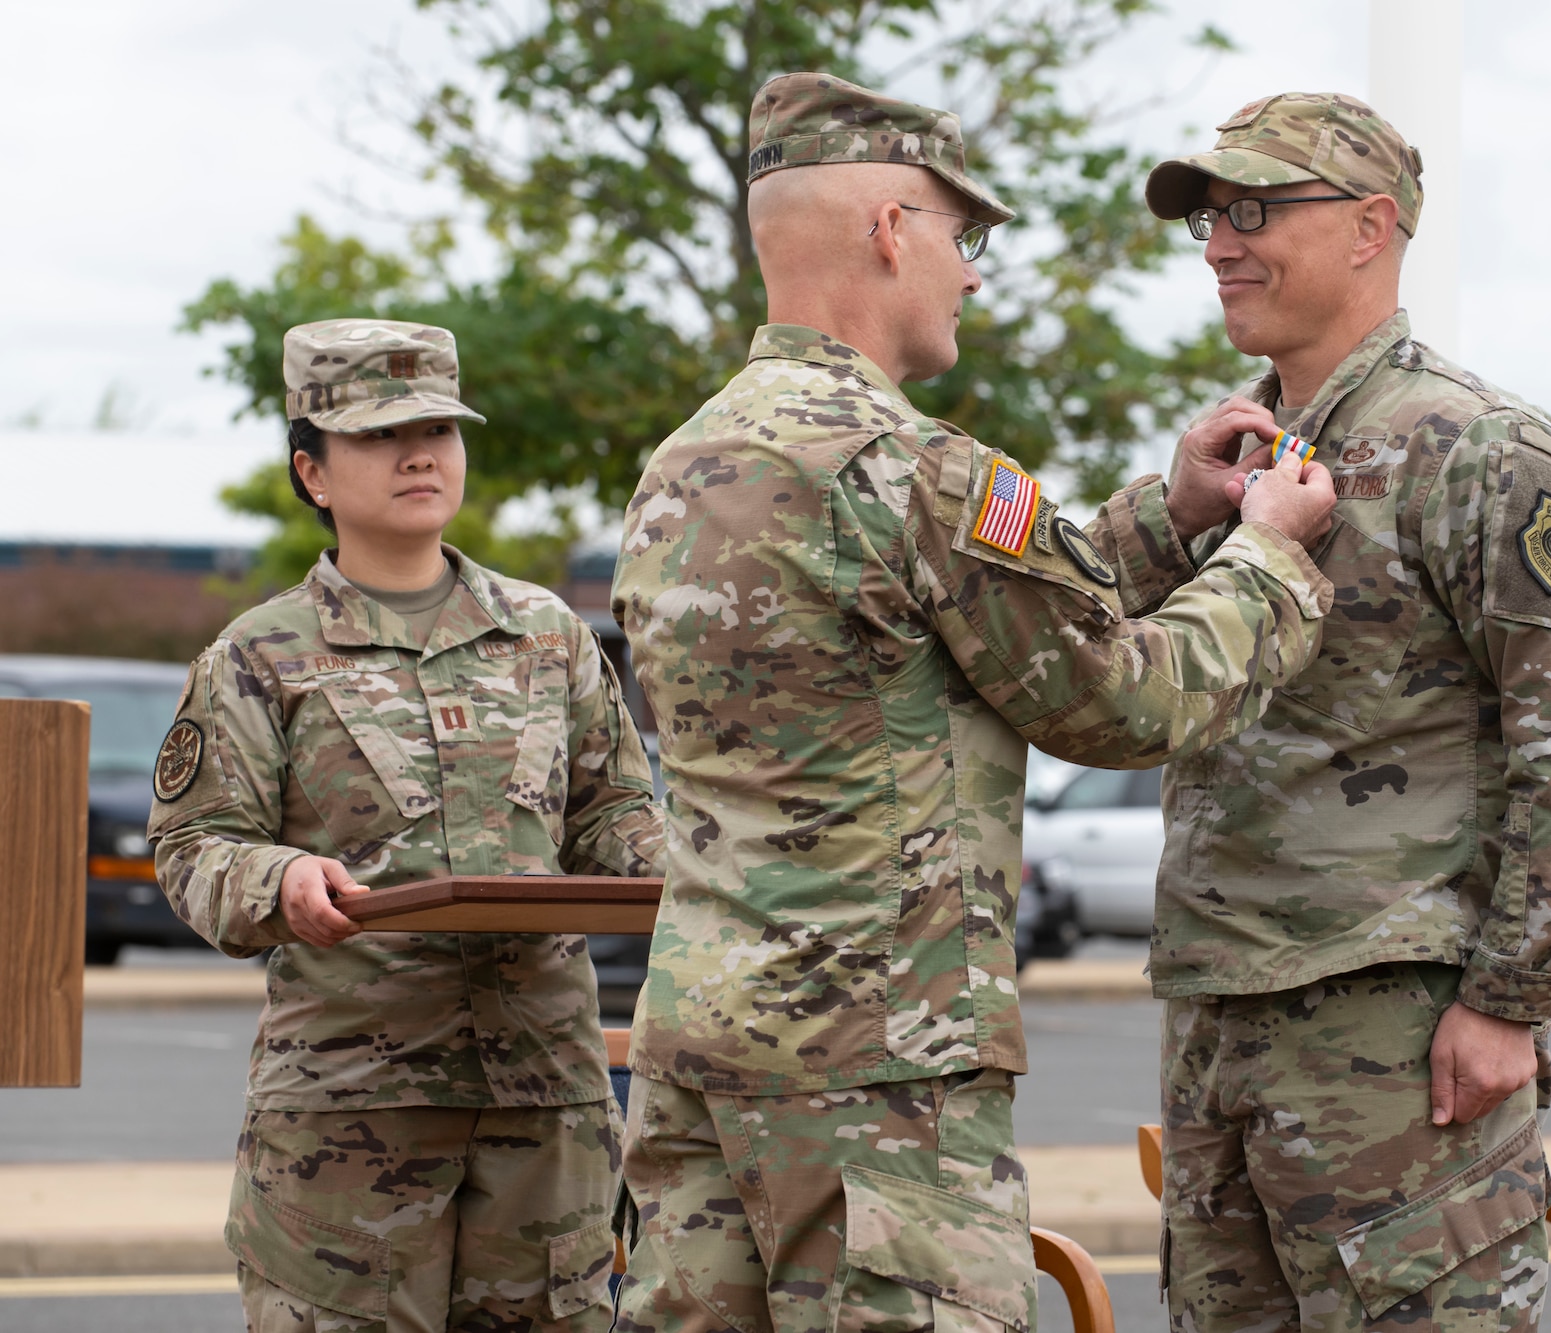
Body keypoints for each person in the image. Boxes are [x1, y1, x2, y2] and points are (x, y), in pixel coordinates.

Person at [607, 72, 1342, 1333]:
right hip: (876, 1070)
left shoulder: (684, 465)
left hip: (698, 1053)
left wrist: (1163, 517)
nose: (973, 274)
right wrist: (1268, 555)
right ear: (891, 230)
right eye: (966, 236)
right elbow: (1114, 701)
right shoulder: (916, 472)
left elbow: (963, 632)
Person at [1106, 93, 1551, 1330]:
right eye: (1207, 216)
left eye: (1252, 209)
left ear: (1370, 227)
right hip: (1220, 1008)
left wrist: (1507, 999)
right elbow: (1086, 647)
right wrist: (1174, 511)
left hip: (1394, 1026)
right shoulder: (1241, 461)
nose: (1216, 244)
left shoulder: (1479, 450)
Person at [148, 318, 663, 1333]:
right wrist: (280, 881)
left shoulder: (549, 638)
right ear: (313, 471)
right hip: (350, 1110)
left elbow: (614, 816)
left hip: (541, 1104)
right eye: (381, 435)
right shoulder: (260, 656)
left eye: (438, 427)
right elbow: (194, 845)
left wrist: (688, 872)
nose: (420, 453)